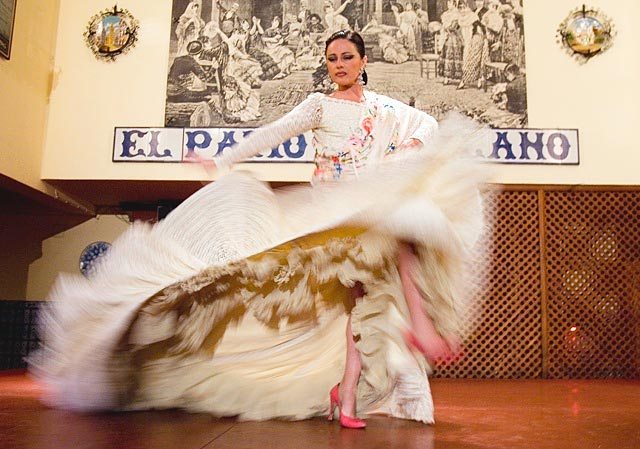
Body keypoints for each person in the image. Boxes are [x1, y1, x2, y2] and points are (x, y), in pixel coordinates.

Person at [31, 31, 486, 428]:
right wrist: (222, 159)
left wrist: (406, 147)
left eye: (347, 57)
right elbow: (272, 133)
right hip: (329, 209)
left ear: (364, 62)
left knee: (374, 281)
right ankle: (405, 340)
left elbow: (422, 126)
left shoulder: (384, 109)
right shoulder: (318, 104)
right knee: (379, 258)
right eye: (332, 59)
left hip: (364, 203)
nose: (339, 65)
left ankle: (348, 392)